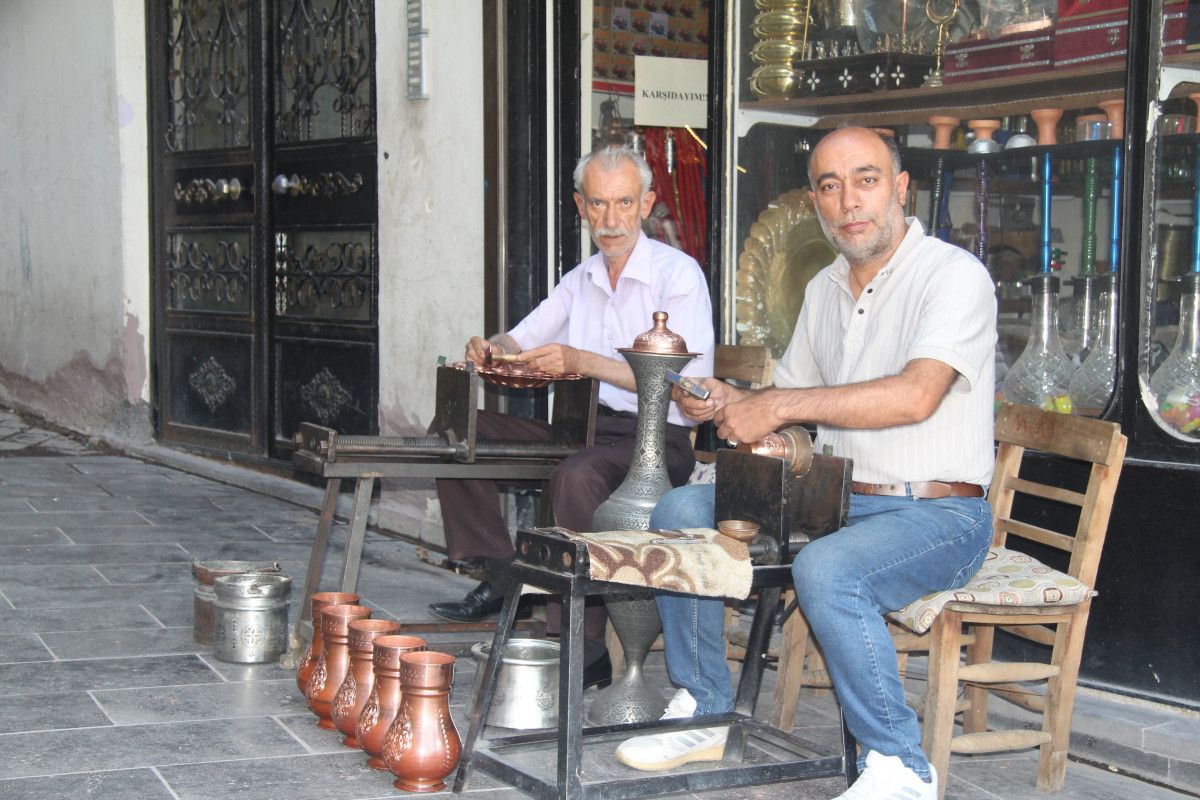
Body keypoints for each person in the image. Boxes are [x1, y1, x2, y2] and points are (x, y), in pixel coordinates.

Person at [614, 126, 996, 800]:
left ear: (901, 189)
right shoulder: (823, 288)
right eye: (829, 185)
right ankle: (704, 706)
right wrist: (731, 402)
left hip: (937, 513)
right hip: (834, 502)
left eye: (866, 179)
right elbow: (785, 408)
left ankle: (901, 765)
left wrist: (778, 403)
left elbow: (916, 394)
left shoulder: (953, 275)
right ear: (816, 204)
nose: (849, 200)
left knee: (829, 568)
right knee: (677, 512)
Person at [428, 145, 715, 671]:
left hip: (655, 439)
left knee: (577, 474)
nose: (611, 220)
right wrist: (491, 349)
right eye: (598, 205)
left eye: (624, 203)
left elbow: (684, 385)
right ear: (580, 207)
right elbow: (519, 338)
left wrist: (583, 361)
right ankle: (500, 571)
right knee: (456, 429)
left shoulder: (678, 276)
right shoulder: (579, 278)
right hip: (581, 429)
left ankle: (583, 642)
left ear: (647, 204)